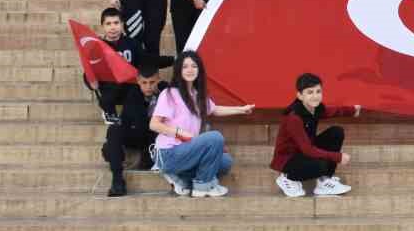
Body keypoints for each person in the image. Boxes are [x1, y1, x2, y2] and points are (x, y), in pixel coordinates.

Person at [151, 52, 253, 197]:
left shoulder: (197, 95)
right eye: (185, 66)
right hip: (169, 153)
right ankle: (202, 186)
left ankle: (183, 180)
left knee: (225, 162)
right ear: (179, 70)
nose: (190, 69)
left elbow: (215, 109)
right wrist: (178, 132)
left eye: (194, 66)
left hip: (187, 151)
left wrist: (241, 110)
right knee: (215, 137)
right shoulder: (170, 93)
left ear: (199, 70)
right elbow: (154, 124)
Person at [271, 72, 360, 197]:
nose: (315, 96)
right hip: (289, 160)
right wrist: (337, 157)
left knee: (336, 132)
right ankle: (288, 178)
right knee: (320, 164)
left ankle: (324, 182)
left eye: (318, 91)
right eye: (310, 92)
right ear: (300, 96)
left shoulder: (314, 109)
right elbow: (308, 150)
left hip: (303, 153)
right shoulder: (294, 118)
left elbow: (332, 112)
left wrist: (353, 110)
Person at [101, 66, 165, 197]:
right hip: (137, 133)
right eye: (144, 83)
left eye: (152, 82)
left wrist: (160, 96)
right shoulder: (132, 92)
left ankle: (146, 158)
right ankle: (117, 181)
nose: (148, 87)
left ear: (158, 80)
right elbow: (138, 122)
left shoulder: (166, 91)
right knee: (113, 130)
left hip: (157, 138)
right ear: (138, 81)